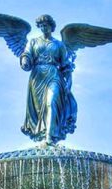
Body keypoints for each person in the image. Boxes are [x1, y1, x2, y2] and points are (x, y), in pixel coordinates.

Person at [20, 14, 77, 144]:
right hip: (37, 77)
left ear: (51, 26)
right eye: (41, 26)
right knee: (40, 110)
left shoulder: (59, 45)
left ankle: (49, 137)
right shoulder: (34, 41)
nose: (44, 28)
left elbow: (66, 66)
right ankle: (42, 134)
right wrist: (24, 60)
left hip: (54, 75)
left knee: (51, 103)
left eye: (46, 25)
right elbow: (27, 54)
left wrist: (68, 84)